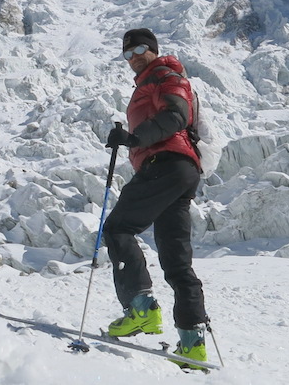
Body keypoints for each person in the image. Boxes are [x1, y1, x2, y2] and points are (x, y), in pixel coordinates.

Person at [103, 27, 209, 369]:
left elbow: (176, 114)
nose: (133, 58)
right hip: (179, 171)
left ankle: (140, 308)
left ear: (153, 49)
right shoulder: (152, 79)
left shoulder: (164, 74)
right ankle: (193, 344)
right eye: (127, 54)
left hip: (165, 162)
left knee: (118, 227)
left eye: (138, 50)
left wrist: (133, 138)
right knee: (177, 262)